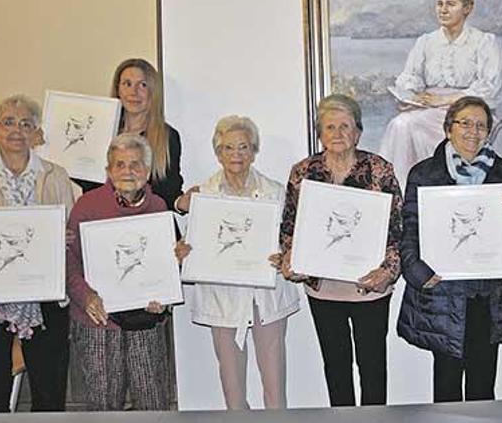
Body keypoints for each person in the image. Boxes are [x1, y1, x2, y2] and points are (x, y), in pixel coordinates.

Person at [397, 96, 502, 403]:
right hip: (443, 294)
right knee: (446, 388)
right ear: (448, 129)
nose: (473, 131)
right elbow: (410, 232)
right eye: (465, 123)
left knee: (483, 388)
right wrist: (418, 274)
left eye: (481, 125)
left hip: (489, 296)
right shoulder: (424, 173)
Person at [272, 94, 402, 407]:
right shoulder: (303, 172)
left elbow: (398, 226)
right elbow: (289, 226)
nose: (338, 133)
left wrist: (388, 270)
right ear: (320, 133)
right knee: (336, 367)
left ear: (358, 132)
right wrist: (291, 258)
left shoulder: (379, 169)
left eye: (345, 126)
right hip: (323, 290)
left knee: (372, 367)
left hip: (369, 288)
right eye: (330, 127)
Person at [0, 95, 74, 413]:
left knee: (49, 397)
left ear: (36, 132)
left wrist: (61, 238)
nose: (16, 130)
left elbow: (72, 236)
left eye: (25, 123)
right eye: (8, 122)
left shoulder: (56, 175)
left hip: (44, 301)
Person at [174, 115, 299, 409]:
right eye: (228, 148)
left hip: (267, 296)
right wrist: (184, 254)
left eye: (243, 147)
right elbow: (190, 245)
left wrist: (284, 255)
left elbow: (290, 238)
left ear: (254, 151)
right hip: (223, 299)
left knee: (275, 387)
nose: (236, 155)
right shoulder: (202, 196)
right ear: (218, 153)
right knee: (232, 388)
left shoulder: (276, 191)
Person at [66, 133, 179, 410]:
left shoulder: (159, 208)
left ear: (148, 171)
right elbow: (69, 261)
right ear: (108, 170)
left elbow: (165, 265)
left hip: (146, 320)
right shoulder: (87, 205)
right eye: (120, 164)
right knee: (103, 404)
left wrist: (164, 294)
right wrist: (87, 298)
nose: (128, 171)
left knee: (153, 400)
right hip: (98, 321)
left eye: (136, 164)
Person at [379, 0, 502, 185]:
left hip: (470, 111)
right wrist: (409, 97)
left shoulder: (484, 42)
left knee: (409, 125)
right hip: (428, 109)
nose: (443, 10)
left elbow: (490, 89)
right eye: (439, 4)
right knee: (400, 124)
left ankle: (436, 185)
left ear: (467, 8)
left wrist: (446, 101)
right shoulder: (426, 42)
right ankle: (401, 189)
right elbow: (410, 77)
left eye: (450, 4)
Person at [73, 58, 183, 210]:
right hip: (104, 220)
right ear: (118, 89)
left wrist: (182, 203)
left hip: (150, 223)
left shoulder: (167, 137)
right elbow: (88, 181)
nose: (133, 92)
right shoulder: (99, 131)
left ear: (153, 92)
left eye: (142, 85)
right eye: (127, 84)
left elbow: (168, 193)